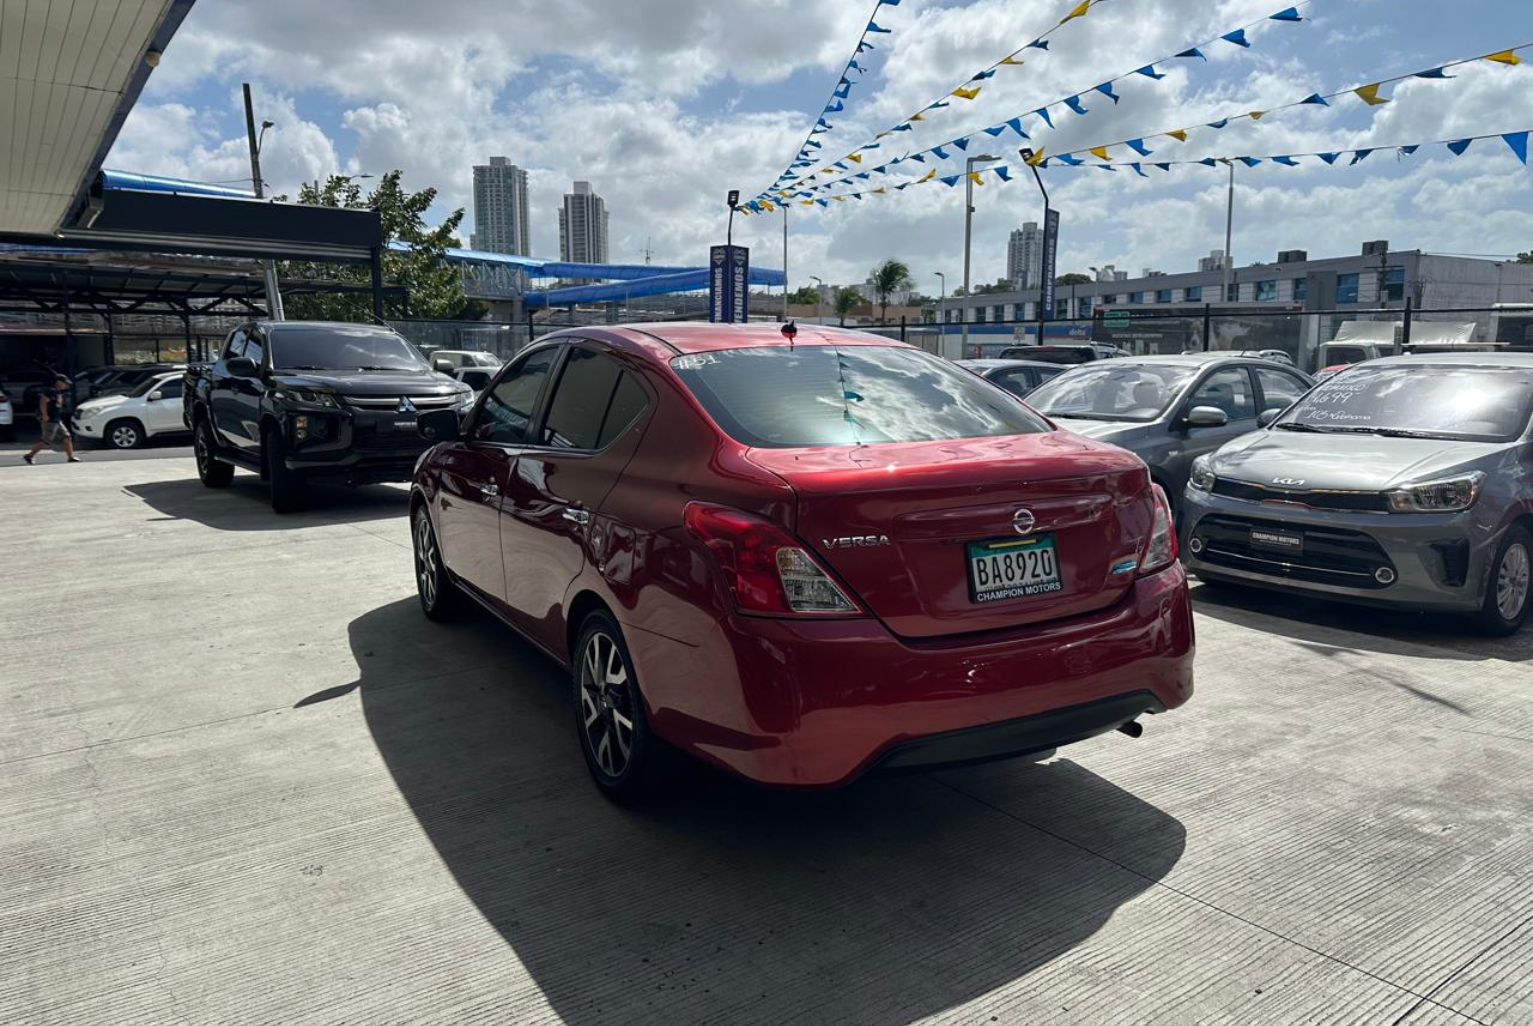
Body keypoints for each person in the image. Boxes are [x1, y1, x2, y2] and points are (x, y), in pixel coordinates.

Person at [23, 375, 82, 464]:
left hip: (57, 419)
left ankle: (70, 457)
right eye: (65, 383)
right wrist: (45, 415)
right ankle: (29, 455)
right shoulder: (51, 391)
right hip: (50, 420)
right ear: (59, 382)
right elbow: (43, 402)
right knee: (46, 441)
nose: (66, 385)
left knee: (67, 437)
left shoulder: (58, 392)